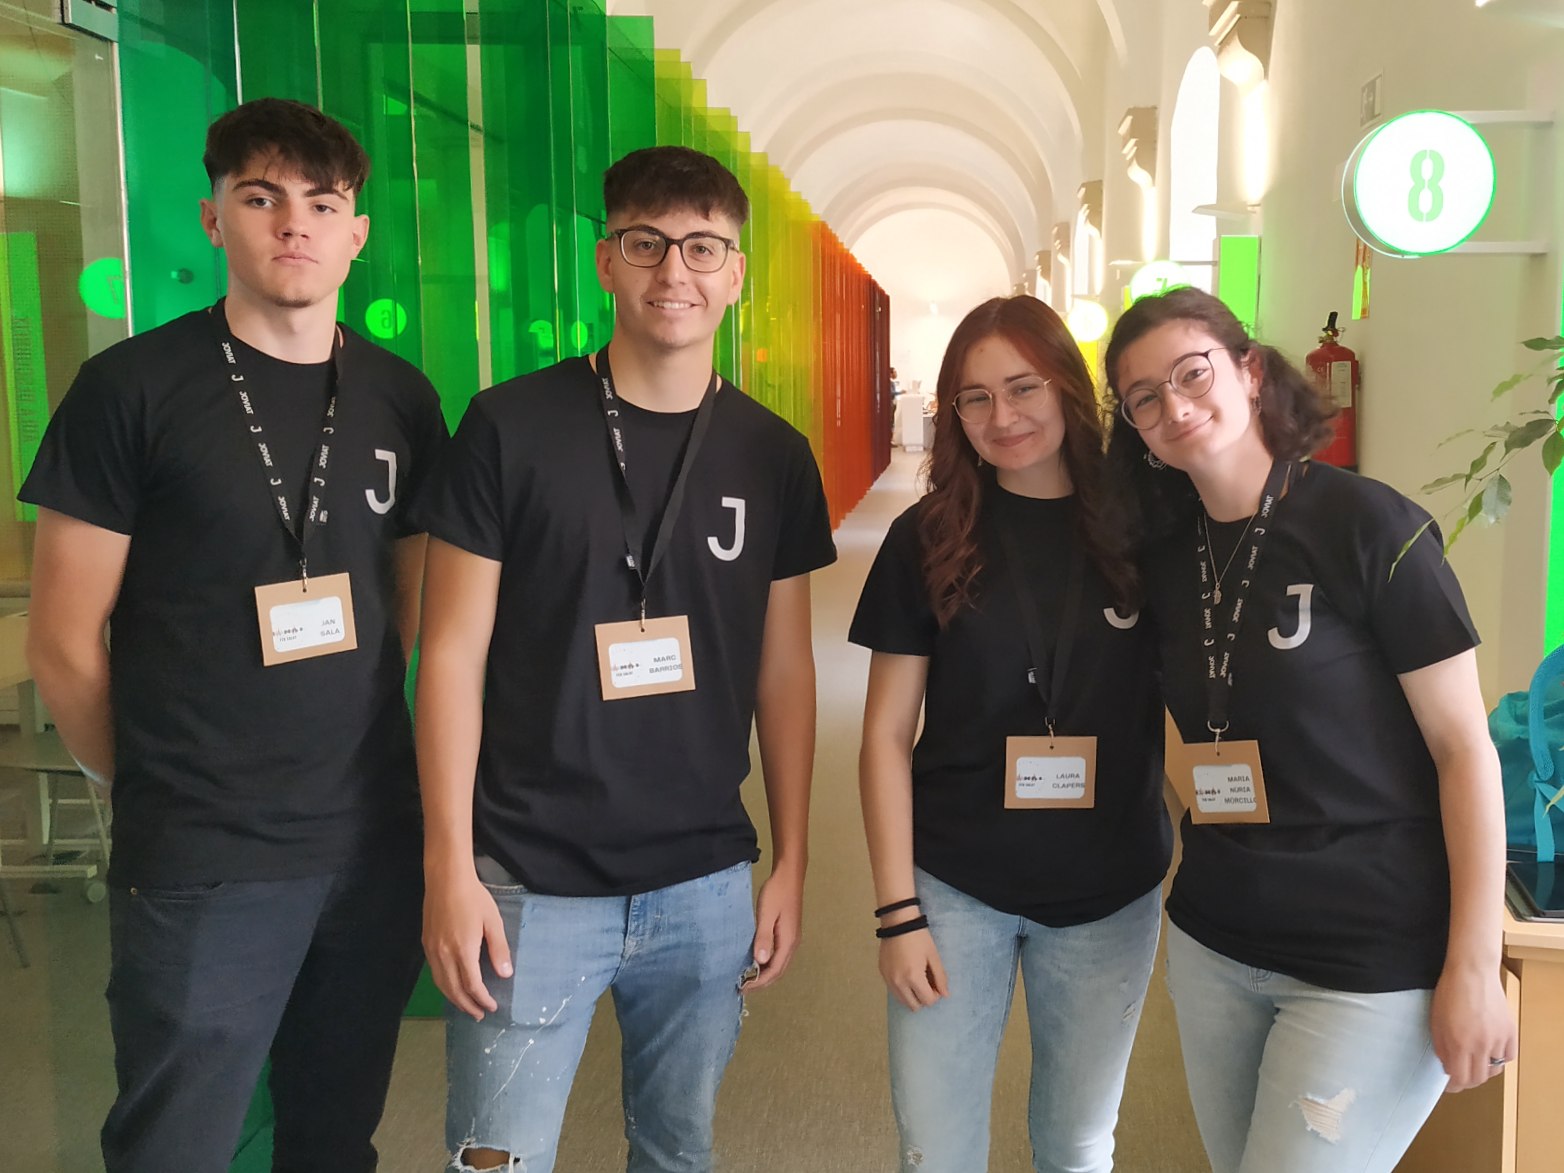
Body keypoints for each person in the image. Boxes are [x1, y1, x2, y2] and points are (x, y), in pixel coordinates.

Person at [21, 97, 447, 1172]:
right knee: (176, 1142)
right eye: (261, 198)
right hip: (203, 853)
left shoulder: (401, 398)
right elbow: (62, 640)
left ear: (356, 233)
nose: (294, 222)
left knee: (333, 1136)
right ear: (214, 219)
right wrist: (147, 781)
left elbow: (411, 610)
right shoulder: (130, 390)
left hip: (368, 842)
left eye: (322, 203)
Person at [414, 145, 837, 1173]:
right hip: (528, 875)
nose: (674, 271)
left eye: (702, 247)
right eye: (646, 244)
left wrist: (792, 859)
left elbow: (785, 671)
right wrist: (447, 863)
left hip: (702, 881)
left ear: (736, 274)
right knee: (495, 1159)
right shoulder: (509, 426)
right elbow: (451, 652)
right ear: (606, 261)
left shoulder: (773, 455)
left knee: (677, 1151)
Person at [1102, 286, 1516, 1173]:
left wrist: (1475, 966)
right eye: (1144, 397)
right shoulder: (1166, 558)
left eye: (1192, 373)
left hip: (1369, 952)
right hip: (1217, 942)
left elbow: (1464, 750)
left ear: (1251, 371)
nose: (1174, 405)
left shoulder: (1368, 525)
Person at [851, 296, 1170, 1173]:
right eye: (976, 397)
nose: (1003, 416)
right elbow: (884, 735)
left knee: (1076, 1145)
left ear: (1067, 384)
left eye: (1024, 387)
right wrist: (897, 913)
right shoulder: (927, 536)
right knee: (937, 1148)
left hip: (1110, 889)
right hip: (956, 886)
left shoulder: (1145, 528)